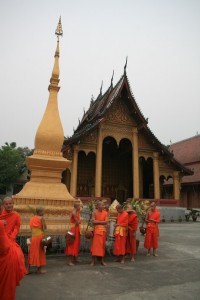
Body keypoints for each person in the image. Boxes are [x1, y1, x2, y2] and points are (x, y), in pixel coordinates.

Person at [28, 206, 47, 274]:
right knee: (40, 252)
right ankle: (39, 269)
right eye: (43, 211)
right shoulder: (41, 219)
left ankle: (28, 269)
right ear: (40, 212)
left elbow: (31, 228)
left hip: (33, 237)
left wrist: (31, 236)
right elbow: (44, 228)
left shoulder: (32, 218)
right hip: (39, 237)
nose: (44, 212)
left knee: (32, 252)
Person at [90, 201, 108, 266]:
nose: (103, 206)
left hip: (103, 231)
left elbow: (106, 222)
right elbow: (93, 222)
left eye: (103, 205)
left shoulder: (105, 213)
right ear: (97, 206)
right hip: (96, 231)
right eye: (102, 205)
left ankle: (102, 260)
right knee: (94, 246)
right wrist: (101, 222)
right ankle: (93, 261)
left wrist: (97, 222)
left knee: (102, 246)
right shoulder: (94, 212)